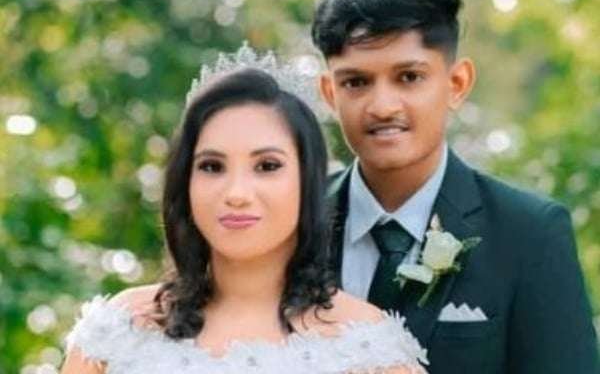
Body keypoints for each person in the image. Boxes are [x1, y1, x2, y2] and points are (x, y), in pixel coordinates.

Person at [60, 49, 428, 373]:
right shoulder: (121, 330)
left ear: (307, 180)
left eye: (267, 166)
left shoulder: (366, 347)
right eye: (212, 167)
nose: (236, 194)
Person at [311, 0, 599, 373]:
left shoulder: (530, 234)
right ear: (330, 93)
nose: (382, 106)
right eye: (356, 82)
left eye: (409, 77)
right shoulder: (293, 222)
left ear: (457, 84)